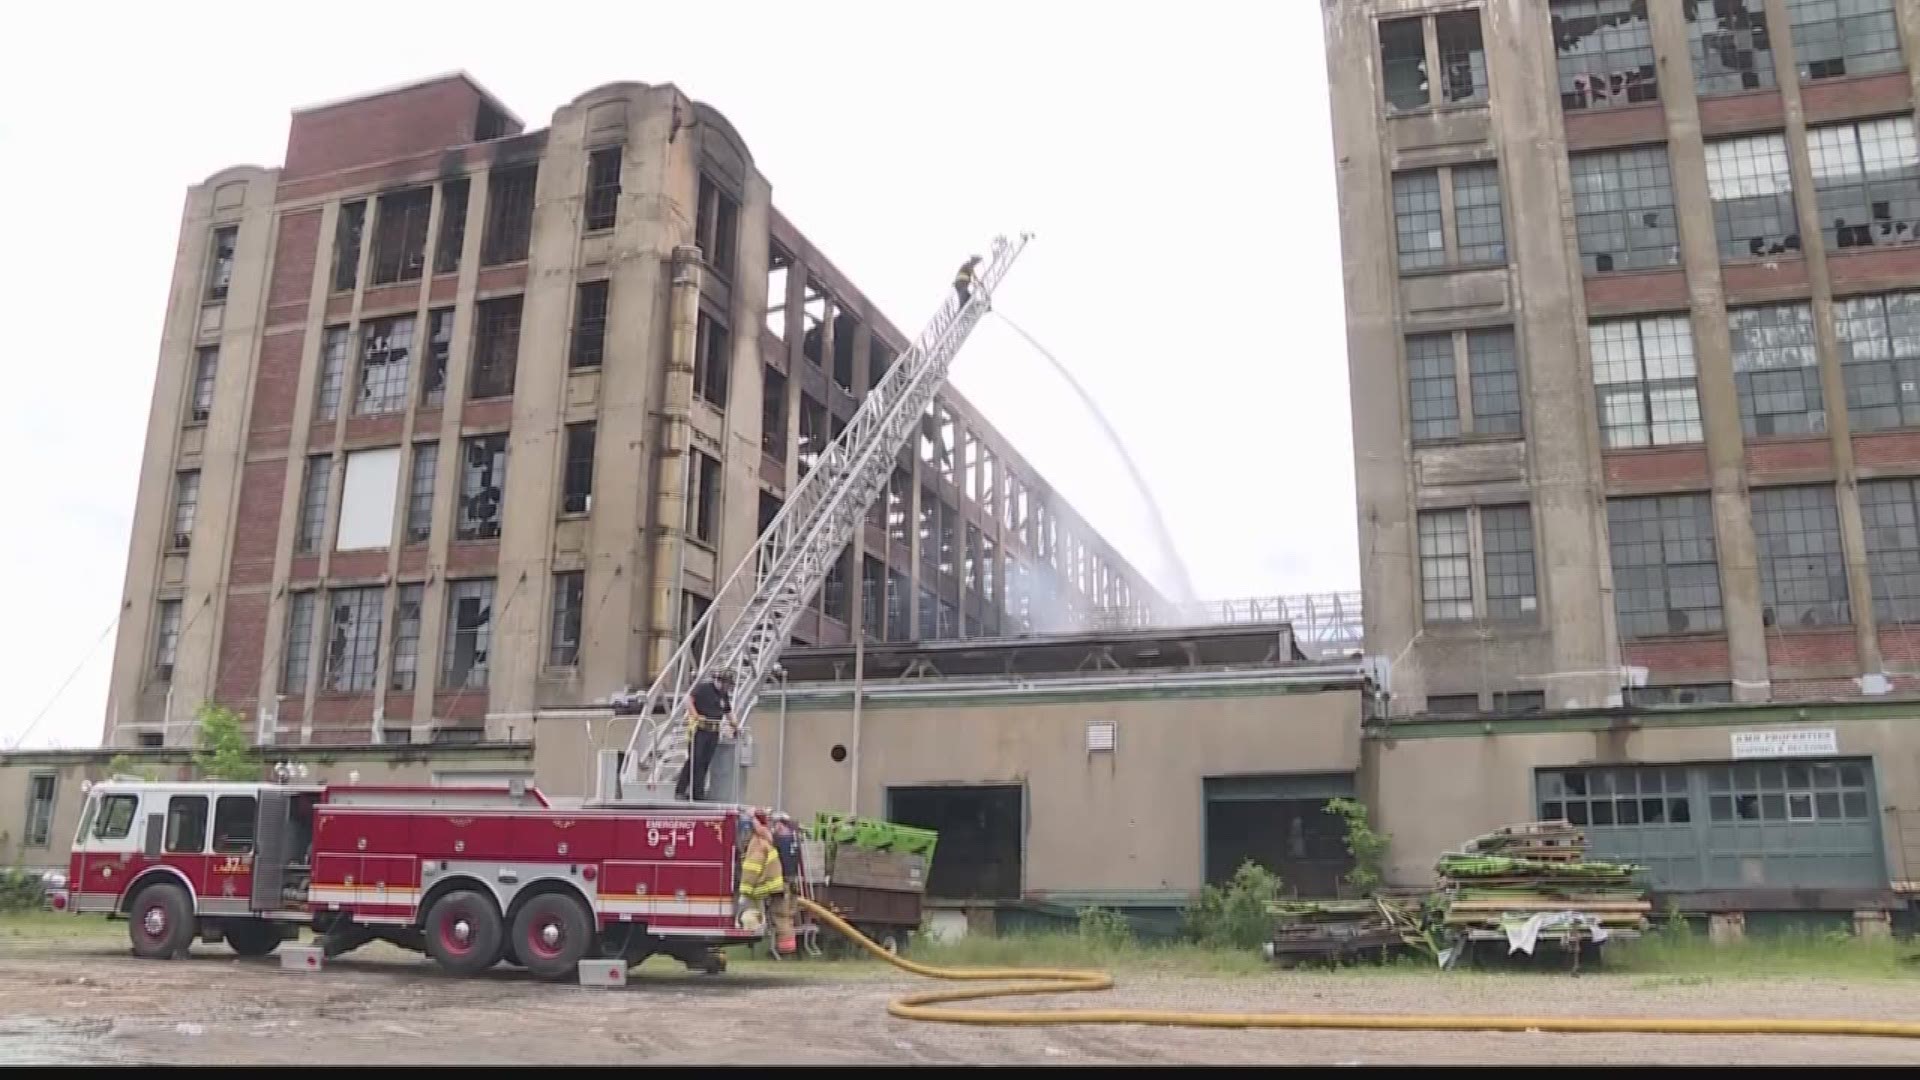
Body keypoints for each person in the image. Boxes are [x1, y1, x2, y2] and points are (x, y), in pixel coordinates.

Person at [737, 811, 794, 954]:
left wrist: (745, 892)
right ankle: (785, 947)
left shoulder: (757, 844)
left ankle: (784, 949)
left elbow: (752, 869)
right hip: (777, 885)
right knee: (783, 915)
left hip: (769, 886)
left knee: (778, 915)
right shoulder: (770, 839)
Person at [674, 669, 735, 802]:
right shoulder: (704, 688)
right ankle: (681, 790)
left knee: (704, 762)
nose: (727, 687)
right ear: (719, 681)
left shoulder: (722, 695)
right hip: (699, 729)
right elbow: (688, 700)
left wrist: (734, 724)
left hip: (713, 730)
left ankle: (698, 793)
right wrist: (695, 715)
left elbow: (728, 711)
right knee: (694, 759)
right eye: (726, 684)